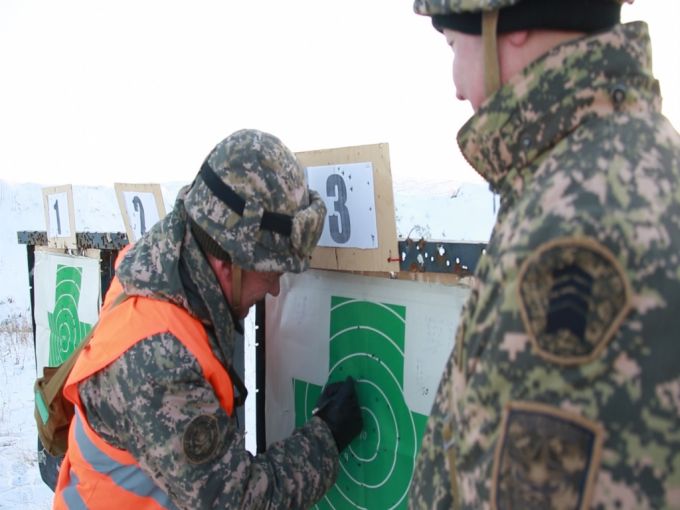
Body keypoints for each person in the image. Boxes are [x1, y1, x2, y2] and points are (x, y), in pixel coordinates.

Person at [409, 0, 680, 508]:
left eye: (452, 44)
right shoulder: (626, 163)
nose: (457, 85)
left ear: (507, 27)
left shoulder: (573, 229)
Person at [53, 129, 363, 509]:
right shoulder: (158, 357)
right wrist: (327, 436)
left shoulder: (161, 267)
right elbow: (236, 501)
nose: (276, 290)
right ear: (226, 262)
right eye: (271, 273)